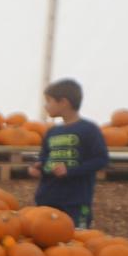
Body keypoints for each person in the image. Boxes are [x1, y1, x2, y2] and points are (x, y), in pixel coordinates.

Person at [37, 78, 110, 229]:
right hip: (48, 197)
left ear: (63, 102)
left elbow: (101, 159)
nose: (45, 106)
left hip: (75, 201)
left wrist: (70, 171)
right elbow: (44, 158)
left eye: (49, 101)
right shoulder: (52, 132)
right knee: (46, 237)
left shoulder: (89, 130)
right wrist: (39, 167)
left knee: (76, 240)